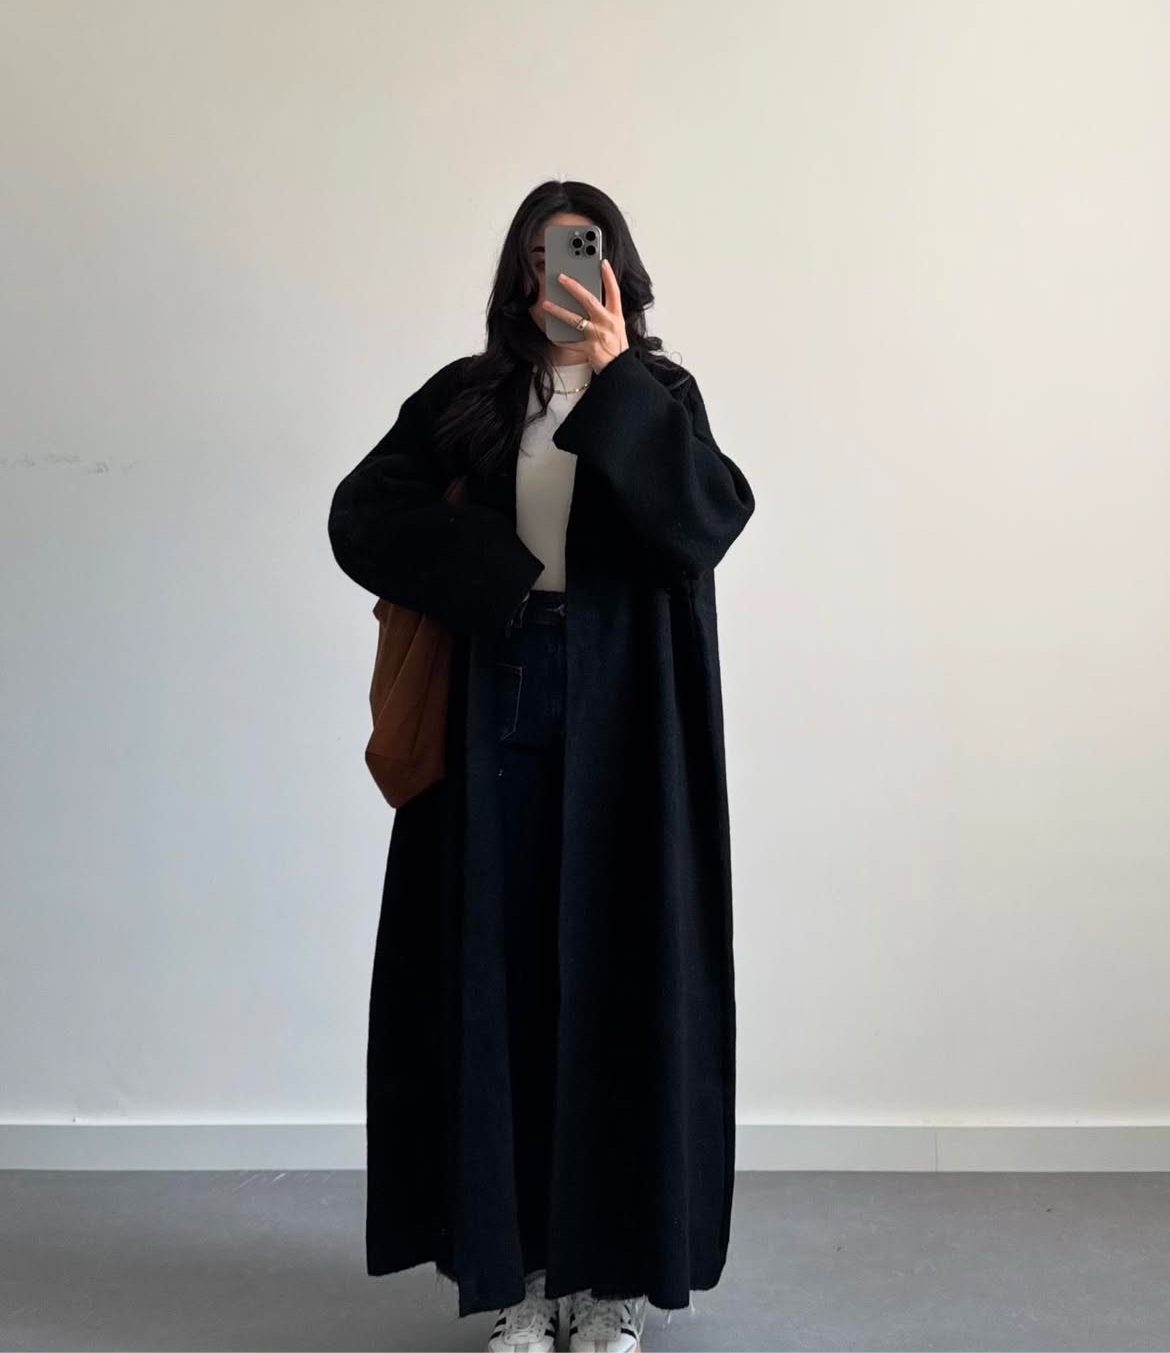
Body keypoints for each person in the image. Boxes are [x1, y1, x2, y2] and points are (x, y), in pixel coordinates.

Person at [327, 180, 755, 1353]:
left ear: (617, 268)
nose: (555, 276)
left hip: (629, 725)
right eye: (539, 255)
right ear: (518, 272)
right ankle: (518, 1273)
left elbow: (703, 525)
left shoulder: (660, 394)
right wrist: (498, 573)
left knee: (621, 986)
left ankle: (610, 1282)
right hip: (494, 703)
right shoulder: (467, 398)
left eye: (580, 252)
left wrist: (617, 384)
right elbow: (361, 515)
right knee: (499, 986)